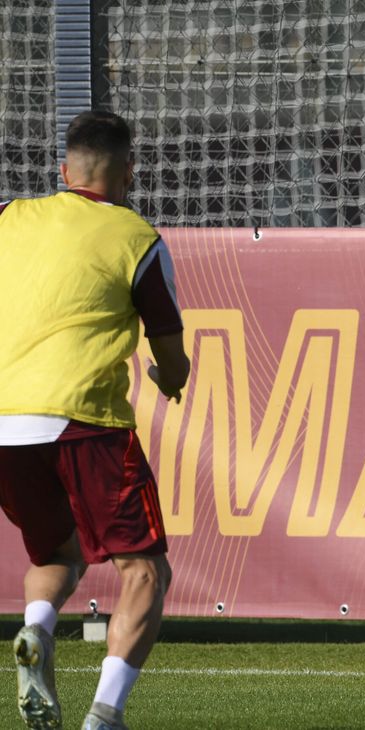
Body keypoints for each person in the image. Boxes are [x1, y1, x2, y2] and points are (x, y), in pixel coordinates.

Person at [0, 110, 189, 729]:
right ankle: (104, 716)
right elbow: (169, 348)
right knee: (145, 571)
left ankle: (35, 630)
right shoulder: (135, 236)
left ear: (64, 169)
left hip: (6, 422)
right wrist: (171, 379)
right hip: (85, 419)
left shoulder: (10, 218)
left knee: (59, 550)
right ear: (129, 169)